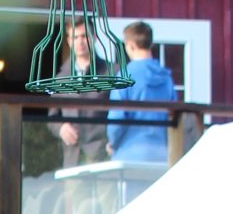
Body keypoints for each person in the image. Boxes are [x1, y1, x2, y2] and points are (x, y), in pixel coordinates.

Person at [107, 21, 178, 167]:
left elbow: (117, 119)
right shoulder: (166, 78)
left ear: (130, 45)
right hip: (162, 154)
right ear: (150, 44)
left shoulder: (125, 76)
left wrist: (112, 143)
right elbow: (175, 117)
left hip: (129, 154)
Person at [55, 23, 109, 167]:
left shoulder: (111, 72)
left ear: (94, 38)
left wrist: (114, 142)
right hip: (72, 156)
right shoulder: (61, 78)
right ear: (69, 41)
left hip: (102, 155)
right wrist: (61, 127)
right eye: (75, 37)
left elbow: (121, 113)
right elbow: (52, 116)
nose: (80, 41)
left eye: (84, 36)